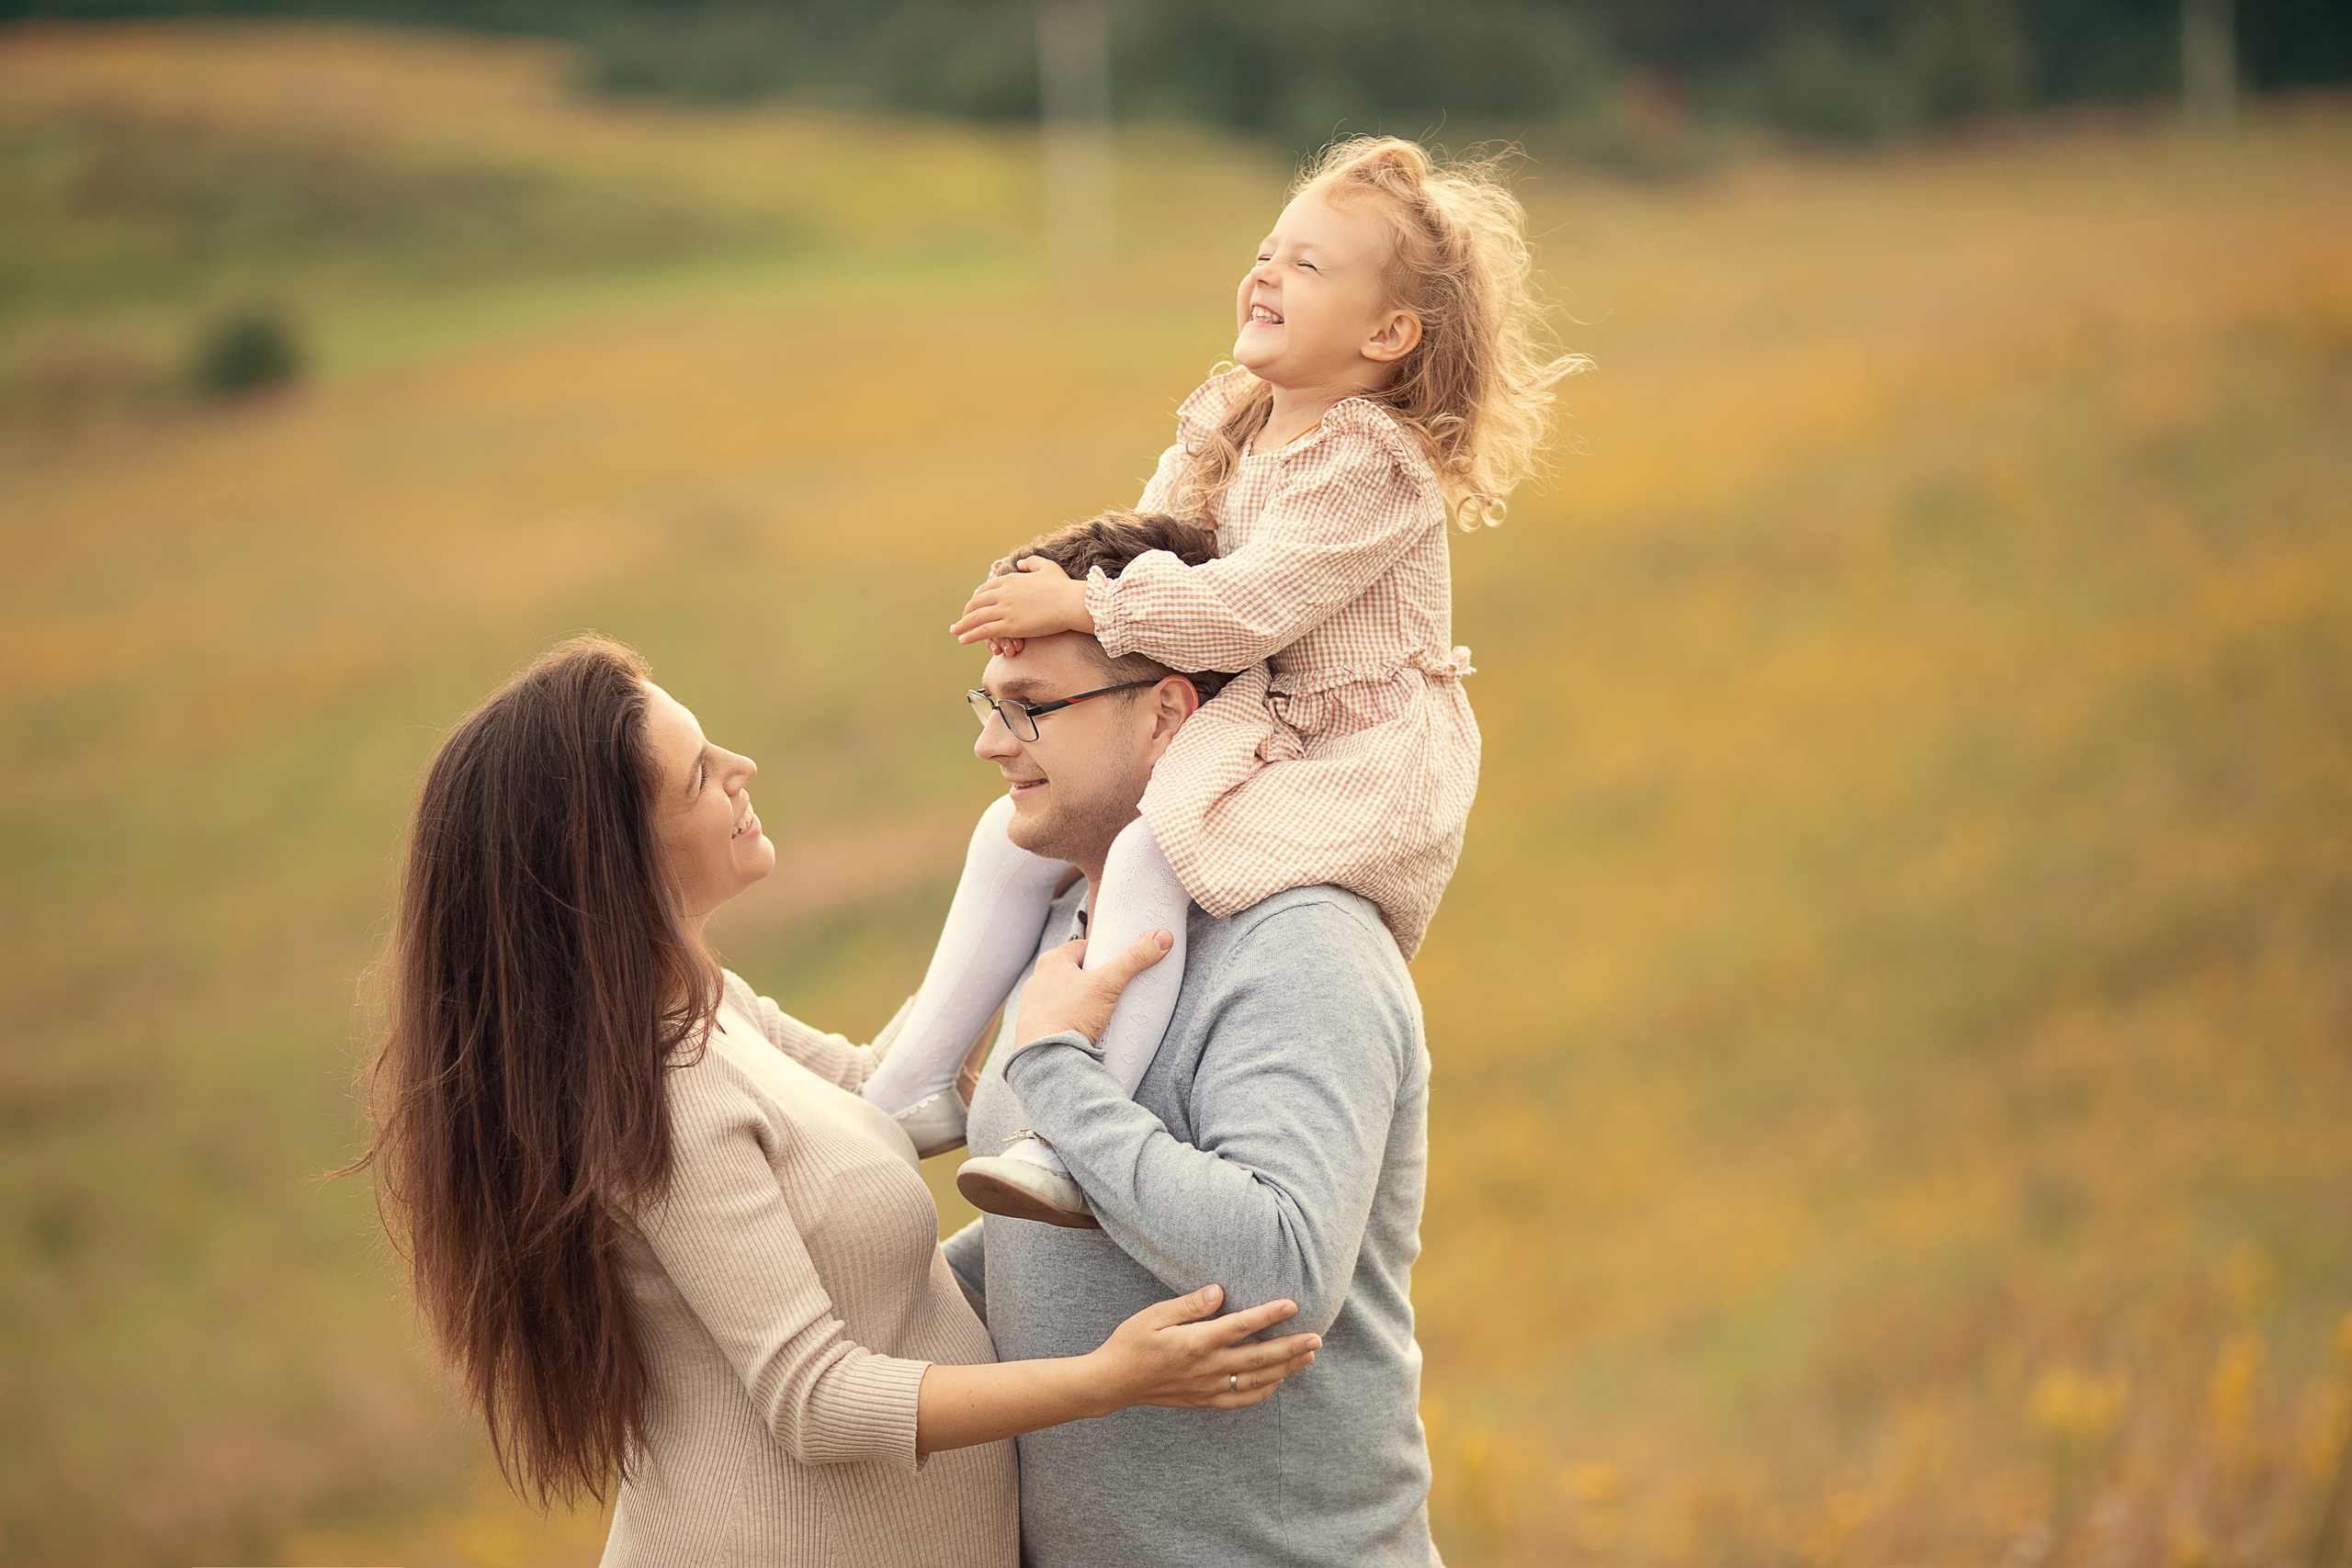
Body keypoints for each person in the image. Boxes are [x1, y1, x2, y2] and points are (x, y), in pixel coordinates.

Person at [348, 634, 1321, 1568]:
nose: (744, 768)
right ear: (612, 856)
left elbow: (882, 1094)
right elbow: (815, 1401)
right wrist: (1110, 1381)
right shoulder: (662, 1102)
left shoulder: (706, 1009)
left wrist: (1043, 883)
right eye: (698, 775)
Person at [864, 135, 1583, 1224]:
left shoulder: (1374, 464)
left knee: (1156, 844)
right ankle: (906, 1082)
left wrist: (1085, 607)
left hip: (1346, 749)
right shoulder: (1234, 421)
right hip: (1252, 714)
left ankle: (1080, 1126)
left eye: (1307, 265)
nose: (1264, 274)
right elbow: (1158, 545)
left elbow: (1246, 603)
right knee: (1002, 838)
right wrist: (1056, 575)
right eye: (1265, 250)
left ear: (1389, 335)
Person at [936, 513, 1445, 1566]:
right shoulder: (1063, 925)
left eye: (1030, 709)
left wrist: (1053, 1073)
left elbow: (1279, 1270)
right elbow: (1065, 1245)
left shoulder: (1296, 942)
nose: (990, 741)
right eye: (992, 705)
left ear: (1168, 714)